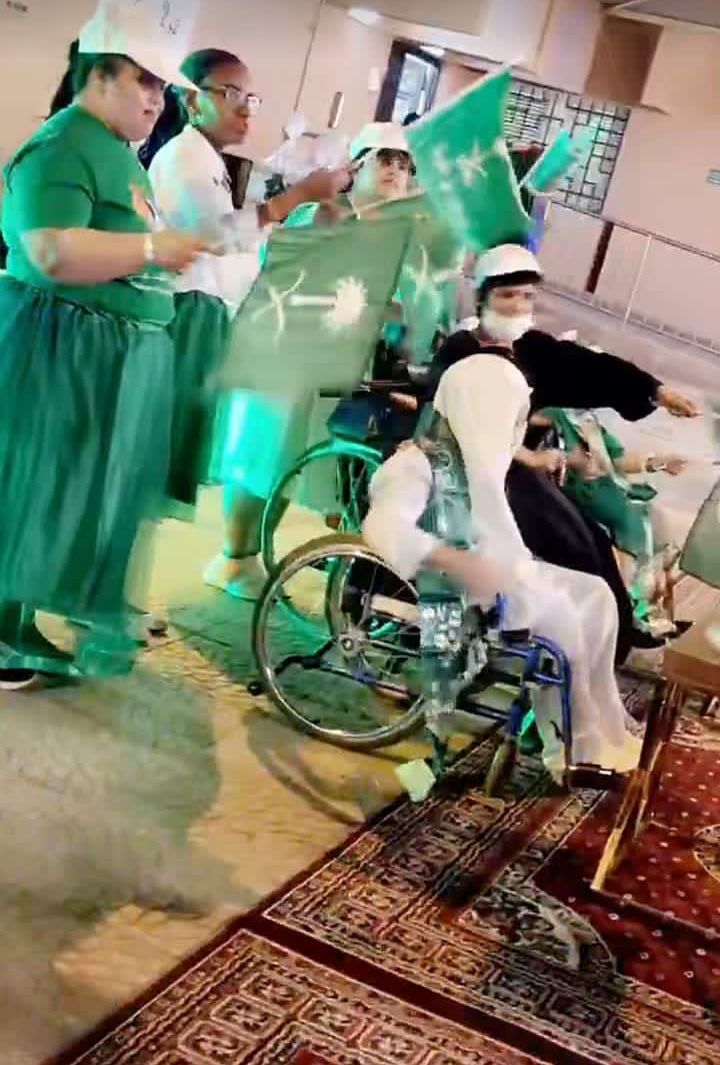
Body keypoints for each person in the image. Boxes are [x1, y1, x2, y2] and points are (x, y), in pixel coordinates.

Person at [0, 2, 208, 688]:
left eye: (162, 86)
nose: (157, 99)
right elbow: (49, 250)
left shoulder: (117, 152)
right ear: (97, 76)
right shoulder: (62, 145)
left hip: (104, 351)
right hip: (56, 346)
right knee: (32, 485)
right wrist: (151, 249)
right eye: (145, 81)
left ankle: (21, 616)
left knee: (65, 489)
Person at [363, 347, 642, 780]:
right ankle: (572, 748)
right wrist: (451, 559)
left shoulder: (480, 467)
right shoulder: (417, 464)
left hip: (502, 572)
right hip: (457, 582)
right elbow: (383, 528)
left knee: (597, 595)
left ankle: (605, 723)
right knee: (562, 619)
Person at [426, 244, 699, 663]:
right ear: (482, 298)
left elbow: (589, 367)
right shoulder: (461, 351)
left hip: (515, 474)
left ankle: (617, 633)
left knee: (594, 542)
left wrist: (657, 392)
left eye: (527, 296)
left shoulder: (530, 348)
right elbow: (460, 431)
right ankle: (590, 647)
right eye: (507, 295)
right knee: (574, 551)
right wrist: (529, 457)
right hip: (475, 478)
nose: (518, 305)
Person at [146, 48, 351, 598]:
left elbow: (237, 248)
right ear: (192, 99)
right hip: (187, 312)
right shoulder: (184, 158)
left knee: (175, 459)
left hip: (216, 313)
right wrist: (297, 199)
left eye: (250, 99)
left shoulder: (207, 160)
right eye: (231, 95)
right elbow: (216, 236)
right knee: (159, 459)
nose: (245, 110)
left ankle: (126, 593)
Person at [536, 406, 688, 636]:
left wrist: (658, 463)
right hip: (585, 498)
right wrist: (561, 459)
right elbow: (522, 429)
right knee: (635, 532)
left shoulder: (585, 419)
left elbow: (617, 459)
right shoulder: (552, 416)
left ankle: (654, 616)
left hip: (616, 492)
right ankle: (635, 618)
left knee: (661, 538)